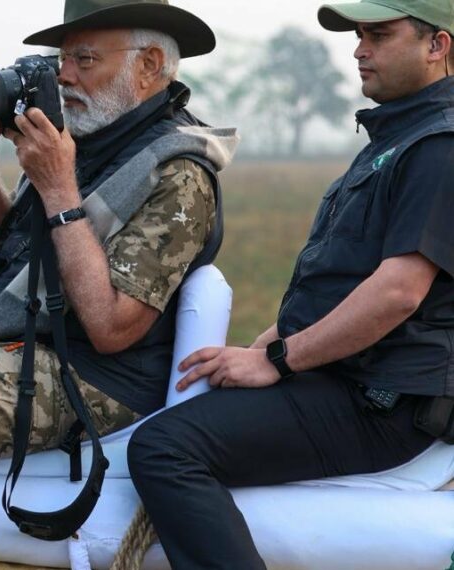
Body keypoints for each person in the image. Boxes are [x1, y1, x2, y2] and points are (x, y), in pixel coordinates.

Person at [0, 0, 238, 567]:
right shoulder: (87, 137)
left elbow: (112, 328)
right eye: (61, 59)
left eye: (84, 59)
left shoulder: (177, 174)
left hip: (96, 375)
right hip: (31, 344)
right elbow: (2, 249)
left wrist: (60, 188)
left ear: (150, 65)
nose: (64, 75)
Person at [127, 1, 454, 568]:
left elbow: (399, 291)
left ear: (437, 46)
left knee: (166, 448)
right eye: (358, 36)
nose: (359, 49)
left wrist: (277, 361)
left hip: (382, 400)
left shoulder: (439, 147)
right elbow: (338, 285)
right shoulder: (396, 140)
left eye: (379, 34)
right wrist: (257, 351)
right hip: (348, 380)